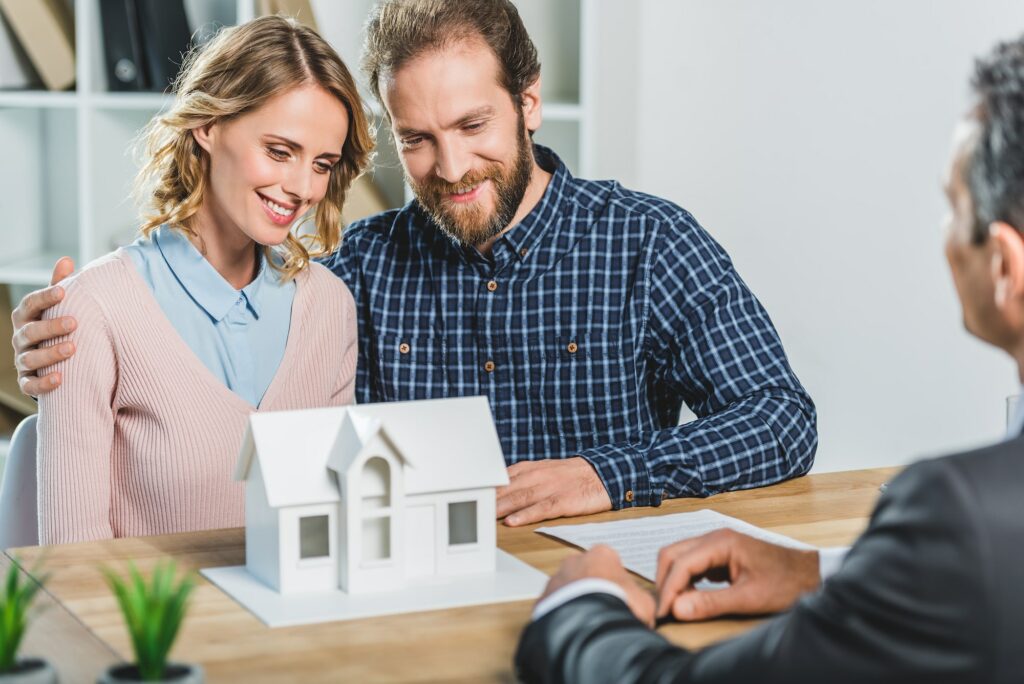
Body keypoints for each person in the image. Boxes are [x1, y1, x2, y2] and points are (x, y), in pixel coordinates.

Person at [11, 0, 817, 528]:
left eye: (474, 124)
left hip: (604, 591)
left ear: (527, 105)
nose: (453, 165)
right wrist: (64, 330)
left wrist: (609, 476)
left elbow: (783, 421)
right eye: (418, 139)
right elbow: (241, 338)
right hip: (416, 609)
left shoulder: (648, 244)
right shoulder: (358, 270)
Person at [514, 35, 1024, 684]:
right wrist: (824, 576)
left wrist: (584, 604)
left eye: (954, 209)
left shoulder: (959, 511)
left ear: (1005, 265)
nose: (945, 237)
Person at [27, 16, 371, 544]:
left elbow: (330, 530)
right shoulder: (96, 309)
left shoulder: (328, 305)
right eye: (279, 151)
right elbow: (73, 567)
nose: (302, 187)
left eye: (322, 164)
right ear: (207, 126)